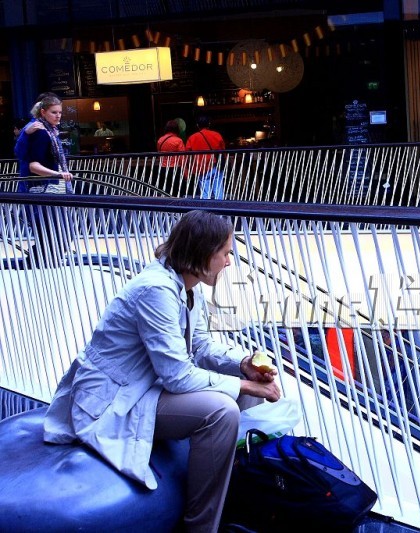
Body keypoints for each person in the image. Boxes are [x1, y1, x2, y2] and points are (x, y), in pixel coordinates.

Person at [43, 210, 282, 533]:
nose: (229, 262)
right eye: (225, 253)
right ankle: (200, 527)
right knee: (223, 410)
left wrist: (244, 365)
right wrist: (245, 385)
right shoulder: (156, 290)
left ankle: (229, 494)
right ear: (203, 253)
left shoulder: (186, 287)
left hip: (143, 388)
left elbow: (201, 345)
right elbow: (178, 376)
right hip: (114, 400)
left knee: (246, 395)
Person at [16, 95, 76, 267]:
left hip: (48, 187)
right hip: (43, 188)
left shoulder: (48, 131)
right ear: (43, 112)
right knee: (54, 230)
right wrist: (58, 174)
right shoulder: (40, 132)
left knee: (54, 231)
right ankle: (44, 261)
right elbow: (32, 164)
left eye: (60, 112)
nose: (58, 116)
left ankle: (44, 260)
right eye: (54, 112)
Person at [185, 116, 226, 199]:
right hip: (216, 165)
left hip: (201, 167)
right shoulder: (216, 135)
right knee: (218, 191)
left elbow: (187, 155)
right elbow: (223, 151)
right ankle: (220, 206)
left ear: (197, 125)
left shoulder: (192, 138)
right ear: (209, 124)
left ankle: (207, 206)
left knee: (205, 193)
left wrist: (190, 168)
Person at [157, 119, 186, 196]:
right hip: (175, 169)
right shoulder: (178, 141)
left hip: (163, 168)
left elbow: (159, 154)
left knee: (166, 191)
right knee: (177, 192)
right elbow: (182, 158)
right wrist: (185, 172)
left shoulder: (160, 140)